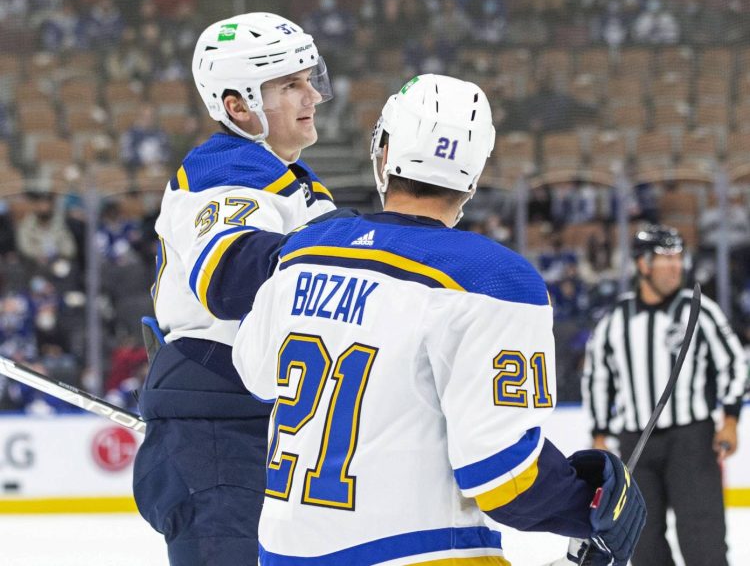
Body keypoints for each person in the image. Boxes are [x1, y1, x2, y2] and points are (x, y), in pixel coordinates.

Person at [232, 74, 645, 565]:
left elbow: (257, 376)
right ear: (472, 175)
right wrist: (589, 504)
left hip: (281, 553)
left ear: (385, 152)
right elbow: (502, 479)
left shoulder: (304, 251)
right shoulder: (491, 278)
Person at [132, 12, 336, 566]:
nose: (313, 96)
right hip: (218, 431)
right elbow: (232, 276)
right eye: (289, 86)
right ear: (238, 106)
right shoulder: (224, 168)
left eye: (310, 79)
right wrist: (346, 246)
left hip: (249, 421)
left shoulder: (293, 181)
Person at [582, 225, 748, 566]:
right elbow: (597, 377)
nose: (675, 266)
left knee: (704, 542)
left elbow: (735, 363)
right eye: (665, 258)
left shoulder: (699, 310)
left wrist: (730, 418)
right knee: (643, 547)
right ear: (642, 264)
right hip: (636, 444)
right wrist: (599, 434)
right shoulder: (615, 319)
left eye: (678, 258)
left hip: (692, 440)